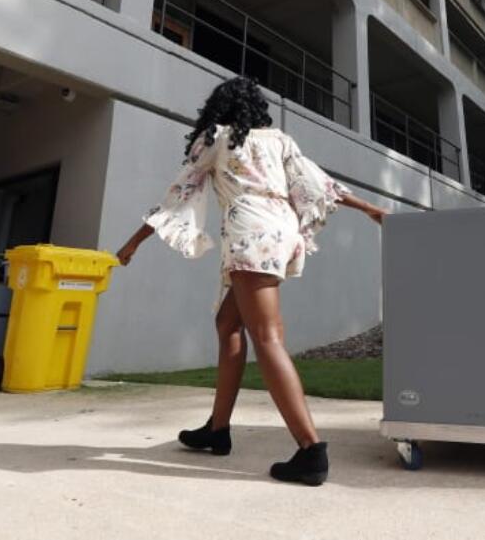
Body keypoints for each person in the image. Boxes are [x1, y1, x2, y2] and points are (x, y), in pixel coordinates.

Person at [116, 77, 387, 486]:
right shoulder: (278, 140)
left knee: (267, 336)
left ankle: (310, 450)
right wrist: (370, 209)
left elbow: (178, 193)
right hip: (281, 230)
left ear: (218, 107)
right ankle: (217, 429)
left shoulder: (217, 138)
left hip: (249, 232)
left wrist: (132, 243)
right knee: (228, 324)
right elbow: (317, 183)